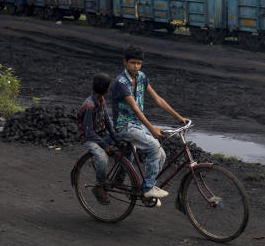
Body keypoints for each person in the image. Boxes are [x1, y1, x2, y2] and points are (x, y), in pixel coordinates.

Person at [110, 45, 187, 200]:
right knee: (153, 146)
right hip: (124, 126)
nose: (136, 66)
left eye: (139, 63)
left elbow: (158, 99)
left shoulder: (141, 77)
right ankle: (148, 188)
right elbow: (136, 109)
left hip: (137, 125)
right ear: (125, 62)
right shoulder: (121, 82)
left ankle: (148, 185)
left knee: (162, 155)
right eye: (133, 63)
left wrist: (179, 117)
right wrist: (151, 129)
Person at [76, 72, 119, 205]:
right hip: (89, 138)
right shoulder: (89, 106)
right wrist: (105, 145)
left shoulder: (101, 100)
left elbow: (107, 121)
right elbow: (89, 132)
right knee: (102, 157)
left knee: (128, 145)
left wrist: (116, 139)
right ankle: (99, 186)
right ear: (106, 90)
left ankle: (119, 179)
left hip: (101, 135)